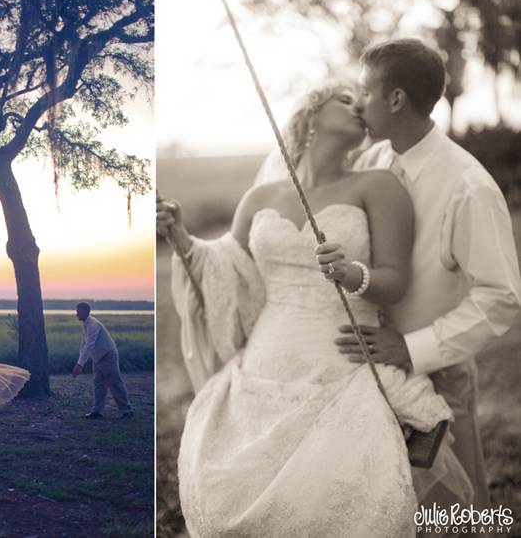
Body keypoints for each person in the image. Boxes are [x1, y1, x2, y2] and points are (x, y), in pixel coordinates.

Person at [157, 80, 473, 537]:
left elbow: (394, 280)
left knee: (338, 500)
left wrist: (351, 274)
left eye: (361, 98)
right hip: (264, 364)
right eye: (345, 99)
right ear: (310, 113)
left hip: (343, 362)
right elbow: (233, 274)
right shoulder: (260, 198)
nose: (360, 105)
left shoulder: (377, 186)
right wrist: (182, 238)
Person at [333, 38, 521, 531]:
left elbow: (501, 299)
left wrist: (412, 349)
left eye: (365, 90)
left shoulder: (468, 186)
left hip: (439, 376)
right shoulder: (371, 164)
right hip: (367, 368)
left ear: (395, 100)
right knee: (387, 505)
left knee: (454, 513)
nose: (358, 101)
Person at [72, 302, 134, 419]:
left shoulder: (93, 325)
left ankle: (127, 411)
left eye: (78, 312)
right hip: (98, 358)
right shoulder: (86, 324)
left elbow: (89, 345)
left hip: (107, 356)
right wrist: (79, 362)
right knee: (99, 384)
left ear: (86, 312)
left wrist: (80, 365)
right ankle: (97, 411)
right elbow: (83, 344)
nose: (76, 314)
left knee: (115, 382)